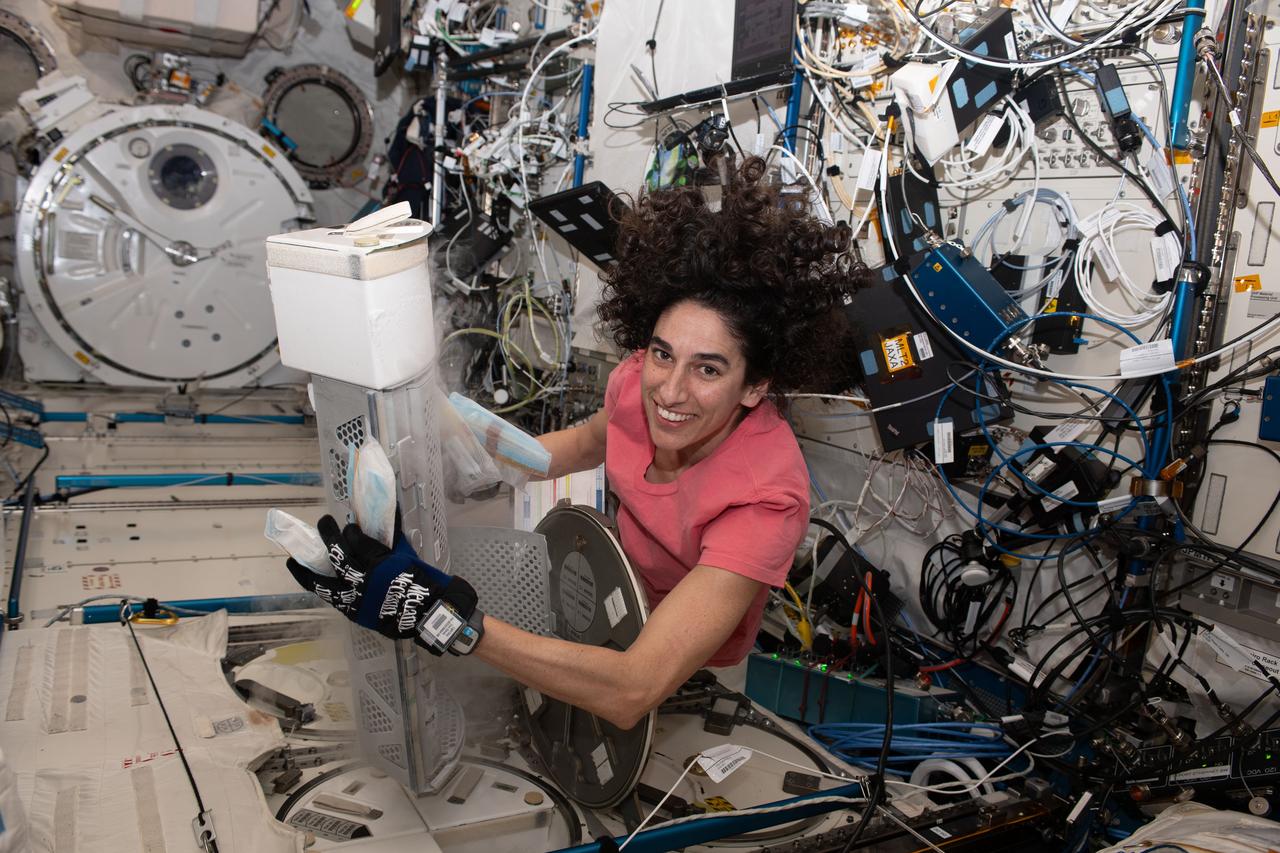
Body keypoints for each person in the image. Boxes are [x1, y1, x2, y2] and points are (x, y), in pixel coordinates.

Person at [286, 155, 866, 731]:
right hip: (612, 610)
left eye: (708, 370)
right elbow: (588, 444)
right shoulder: (639, 382)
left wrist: (445, 618)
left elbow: (634, 687)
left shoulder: (765, 499)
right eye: (663, 352)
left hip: (686, 669)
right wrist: (480, 471)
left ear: (755, 386)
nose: (669, 389)